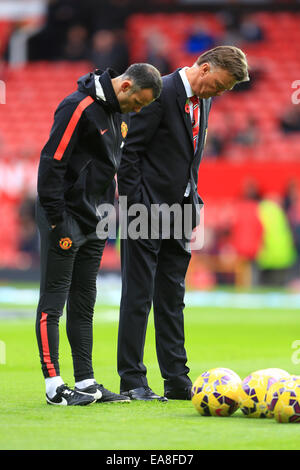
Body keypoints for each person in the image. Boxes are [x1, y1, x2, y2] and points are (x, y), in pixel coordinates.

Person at [117, 46, 249, 402]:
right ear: (204, 68)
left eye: (223, 91)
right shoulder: (159, 91)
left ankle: (176, 379)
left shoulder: (203, 99)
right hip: (143, 212)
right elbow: (129, 155)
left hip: (180, 211)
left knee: (172, 296)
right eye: (217, 85)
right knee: (138, 295)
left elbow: (188, 159)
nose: (218, 94)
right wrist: (134, 208)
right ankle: (132, 381)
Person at [35, 63, 162, 406]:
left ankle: (86, 382)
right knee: (53, 300)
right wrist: (57, 222)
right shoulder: (77, 107)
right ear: (125, 87)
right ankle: (54, 385)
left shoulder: (119, 115)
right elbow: (51, 163)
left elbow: (109, 173)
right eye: (137, 103)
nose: (137, 111)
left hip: (95, 220)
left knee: (84, 301)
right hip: (65, 219)